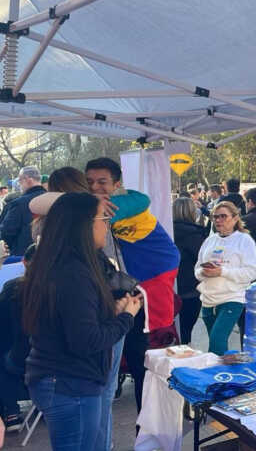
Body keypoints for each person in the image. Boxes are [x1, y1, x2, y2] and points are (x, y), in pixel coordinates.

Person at [23, 192, 142, 451]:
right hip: (69, 382)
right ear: (84, 225)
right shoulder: (72, 273)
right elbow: (86, 340)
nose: (106, 225)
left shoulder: (65, 265)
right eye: (103, 218)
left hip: (73, 379)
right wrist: (125, 318)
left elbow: (76, 320)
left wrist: (112, 310)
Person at [86, 157, 179, 417]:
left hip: (152, 275)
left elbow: (141, 200)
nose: (95, 187)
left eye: (102, 182)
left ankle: (148, 425)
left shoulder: (123, 202)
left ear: (117, 184)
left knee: (143, 358)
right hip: (129, 283)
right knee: (130, 356)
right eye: (90, 182)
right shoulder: (95, 206)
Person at [195, 201, 256, 355]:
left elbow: (252, 272)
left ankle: (215, 376)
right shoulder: (210, 240)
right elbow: (197, 269)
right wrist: (203, 272)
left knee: (217, 341)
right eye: (215, 217)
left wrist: (222, 272)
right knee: (216, 346)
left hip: (232, 297)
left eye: (223, 216)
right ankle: (225, 373)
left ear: (235, 218)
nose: (218, 220)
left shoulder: (244, 240)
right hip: (208, 299)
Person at [0, 244, 35, 431]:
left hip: (23, 360)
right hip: (58, 362)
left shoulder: (13, 289)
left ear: (24, 262)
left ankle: (11, 412)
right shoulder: (61, 289)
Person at [173, 198, 208, 345]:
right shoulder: (196, 236)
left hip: (169, 288)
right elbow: (203, 262)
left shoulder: (164, 232)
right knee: (186, 332)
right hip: (190, 290)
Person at [0, 166, 46, 256]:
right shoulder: (55, 201)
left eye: (20, 180)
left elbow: (6, 233)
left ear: (28, 180)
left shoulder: (18, 204)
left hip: (24, 259)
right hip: (51, 257)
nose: (19, 184)